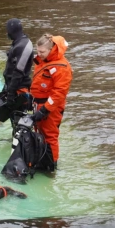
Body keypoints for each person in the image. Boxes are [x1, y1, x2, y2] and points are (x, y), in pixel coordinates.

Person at [30, 33, 73, 171]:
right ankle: (42, 160)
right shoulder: (45, 61)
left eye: (42, 51)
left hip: (51, 108)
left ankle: (50, 166)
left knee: (50, 136)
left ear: (51, 50)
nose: (39, 54)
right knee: (40, 134)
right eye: (38, 51)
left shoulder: (62, 68)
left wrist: (45, 110)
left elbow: (59, 93)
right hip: (40, 103)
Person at [3, 18, 34, 129]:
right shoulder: (18, 42)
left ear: (12, 31)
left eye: (7, 31)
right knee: (13, 117)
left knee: (20, 119)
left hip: (19, 89)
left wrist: (11, 93)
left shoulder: (23, 45)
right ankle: (15, 137)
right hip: (12, 87)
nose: (6, 33)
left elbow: (18, 72)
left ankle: (20, 142)